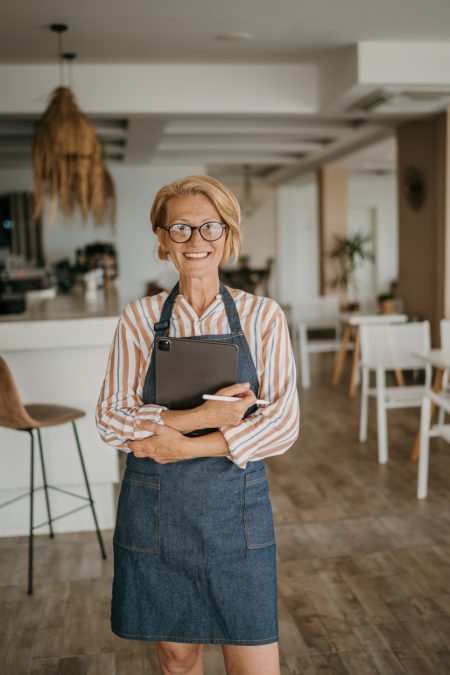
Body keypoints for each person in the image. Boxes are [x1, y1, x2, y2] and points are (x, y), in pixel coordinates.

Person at [96, 175, 300, 675]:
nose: (195, 241)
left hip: (237, 515)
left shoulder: (261, 316)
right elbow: (109, 418)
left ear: (227, 236)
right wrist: (201, 417)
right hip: (157, 512)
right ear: (163, 239)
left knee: (254, 662)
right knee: (177, 659)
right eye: (181, 229)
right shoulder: (140, 318)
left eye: (209, 228)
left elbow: (283, 424)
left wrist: (182, 445)